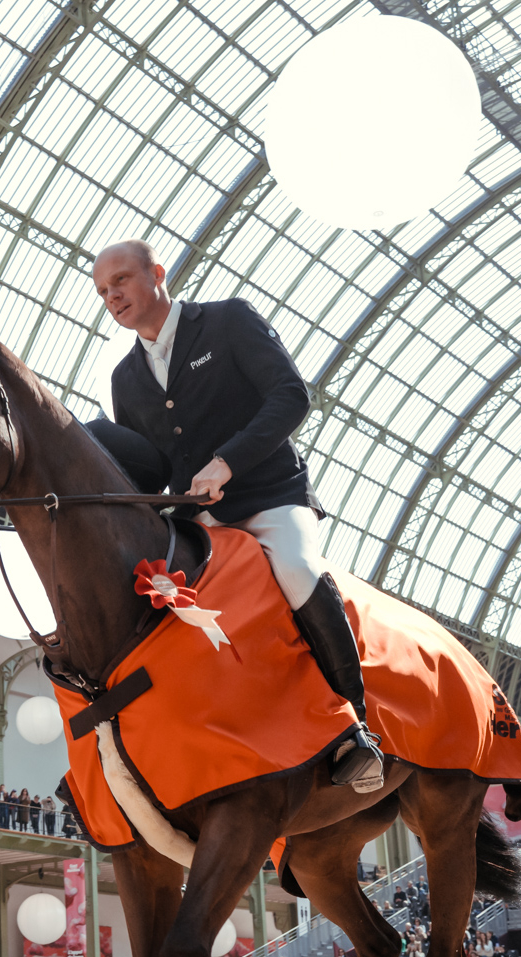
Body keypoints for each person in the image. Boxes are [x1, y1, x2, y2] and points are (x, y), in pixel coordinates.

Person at [90, 239, 382, 792]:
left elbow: (290, 396)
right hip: (198, 519)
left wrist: (226, 463)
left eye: (122, 281)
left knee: (297, 570)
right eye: (104, 292)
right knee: (152, 601)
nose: (113, 297)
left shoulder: (228, 320)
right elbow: (149, 469)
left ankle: (355, 728)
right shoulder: (124, 378)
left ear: (157, 274)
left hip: (271, 495)